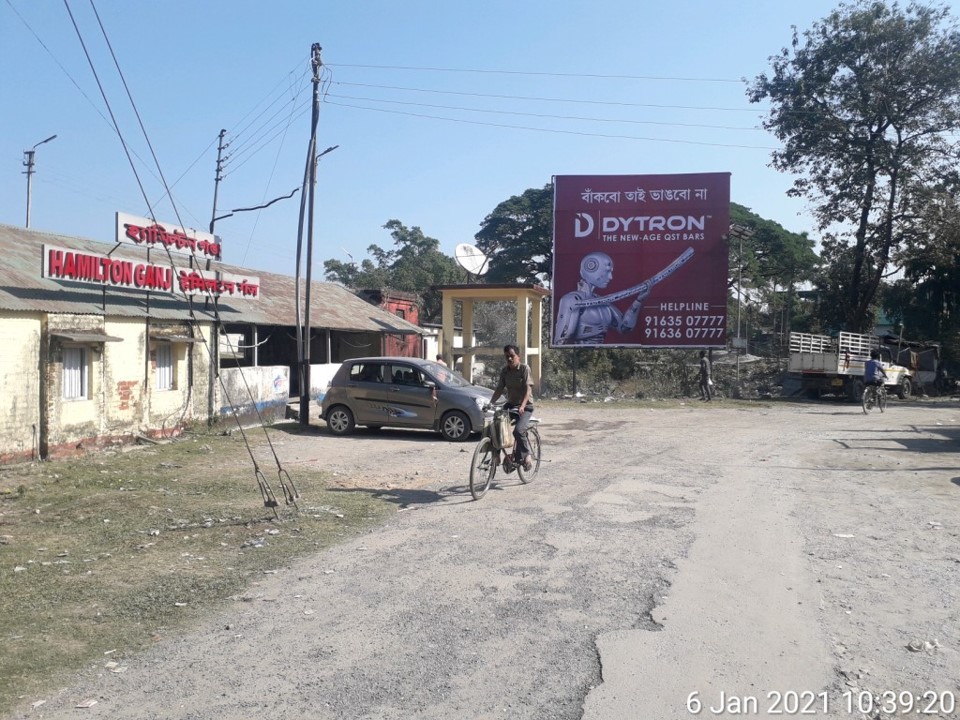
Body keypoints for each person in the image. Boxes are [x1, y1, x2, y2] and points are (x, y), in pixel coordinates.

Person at [553, 252, 649, 345]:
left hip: (600, 355)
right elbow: (562, 340)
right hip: (579, 356)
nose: (610, 277)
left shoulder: (603, 302)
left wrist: (638, 301)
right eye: (607, 272)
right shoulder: (573, 300)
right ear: (592, 268)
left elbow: (624, 328)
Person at [489, 344, 534, 471]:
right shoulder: (505, 371)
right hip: (511, 404)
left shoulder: (524, 369)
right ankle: (496, 455)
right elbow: (499, 389)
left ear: (518, 356)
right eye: (507, 357)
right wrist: (490, 403)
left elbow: (528, 389)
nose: (509, 359)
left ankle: (527, 455)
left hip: (526, 406)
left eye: (512, 356)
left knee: (518, 431)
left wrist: (523, 405)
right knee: (496, 425)